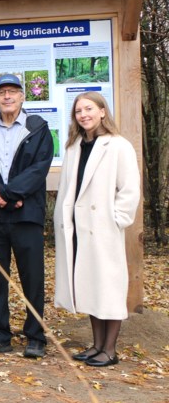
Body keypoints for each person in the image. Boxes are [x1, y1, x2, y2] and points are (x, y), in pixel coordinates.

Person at [0, 73, 53, 358]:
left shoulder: (38, 128)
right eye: (2, 92)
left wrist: (11, 195)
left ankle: (35, 336)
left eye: (13, 92)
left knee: (32, 277)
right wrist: (1, 197)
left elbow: (39, 167)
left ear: (22, 97)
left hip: (27, 214)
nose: (7, 96)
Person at [54, 92, 140, 367]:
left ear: (103, 111)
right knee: (89, 285)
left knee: (109, 286)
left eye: (89, 109)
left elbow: (129, 189)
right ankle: (96, 345)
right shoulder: (74, 146)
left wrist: (117, 219)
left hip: (103, 227)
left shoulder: (118, 145)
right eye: (78, 111)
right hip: (79, 228)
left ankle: (110, 350)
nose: (83, 115)